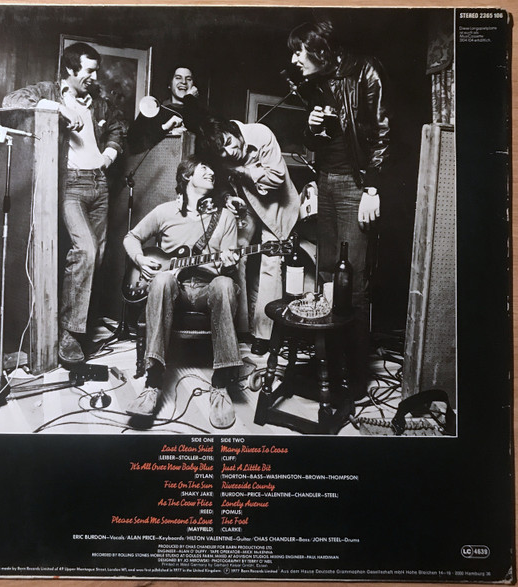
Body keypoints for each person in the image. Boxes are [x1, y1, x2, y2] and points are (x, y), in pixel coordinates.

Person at [2, 42, 127, 365]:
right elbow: (11, 100)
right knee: (85, 250)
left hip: (100, 184)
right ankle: (69, 333)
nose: (94, 77)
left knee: (96, 258)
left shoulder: (99, 100)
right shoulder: (49, 91)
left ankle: (77, 328)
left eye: (96, 71)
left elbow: (117, 128)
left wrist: (107, 157)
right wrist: (58, 109)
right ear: (70, 69)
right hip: (70, 185)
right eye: (89, 71)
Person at [288, 20, 391, 395]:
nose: (295, 60)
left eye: (299, 51)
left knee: (353, 281)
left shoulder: (365, 70)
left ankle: (356, 377)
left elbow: (383, 130)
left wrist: (372, 187)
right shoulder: (316, 83)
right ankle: (330, 366)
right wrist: (311, 127)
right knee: (328, 275)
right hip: (326, 181)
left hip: (355, 184)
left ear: (319, 49)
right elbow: (318, 142)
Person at [123, 155, 242, 429]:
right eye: (204, 167)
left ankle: (221, 384)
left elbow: (230, 267)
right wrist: (141, 260)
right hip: (174, 289)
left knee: (225, 284)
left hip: (208, 287)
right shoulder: (165, 212)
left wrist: (228, 263)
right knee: (162, 280)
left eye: (211, 168)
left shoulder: (225, 217)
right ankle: (153, 383)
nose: (211, 172)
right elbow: (131, 237)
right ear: (187, 176)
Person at [197, 119, 300, 355]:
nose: (229, 152)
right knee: (236, 253)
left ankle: (264, 335)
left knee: (271, 263)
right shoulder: (221, 154)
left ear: (233, 131)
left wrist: (242, 171)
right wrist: (228, 198)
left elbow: (277, 177)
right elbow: (221, 184)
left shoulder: (261, 134)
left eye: (229, 143)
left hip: (277, 205)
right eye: (222, 152)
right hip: (248, 205)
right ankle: (240, 328)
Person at [128, 66, 207, 154]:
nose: (184, 82)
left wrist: (190, 100)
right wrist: (165, 128)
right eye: (178, 78)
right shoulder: (153, 110)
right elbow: (133, 144)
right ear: (169, 84)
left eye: (188, 79)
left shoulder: (200, 112)